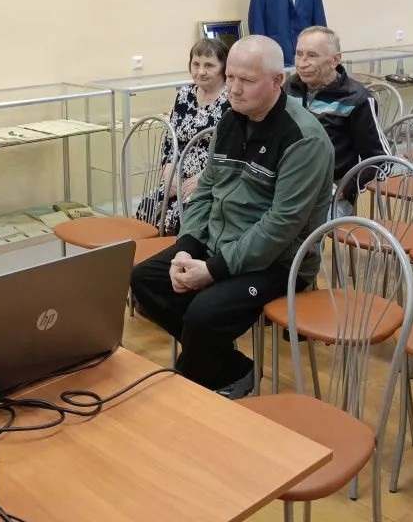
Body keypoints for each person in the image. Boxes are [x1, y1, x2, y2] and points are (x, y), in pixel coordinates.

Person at [130, 35, 334, 399]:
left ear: (277, 81)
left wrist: (214, 270)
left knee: (202, 315)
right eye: (231, 78)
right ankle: (231, 368)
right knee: (145, 280)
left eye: (246, 80)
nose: (234, 89)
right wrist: (186, 246)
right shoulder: (230, 121)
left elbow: (281, 226)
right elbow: (205, 191)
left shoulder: (303, 139)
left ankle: (192, 389)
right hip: (219, 243)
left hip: (278, 262)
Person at [286, 26, 391, 215]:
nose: (302, 63)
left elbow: (382, 160)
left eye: (312, 55)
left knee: (304, 228)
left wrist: (345, 189)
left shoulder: (356, 99)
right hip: (288, 186)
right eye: (299, 54)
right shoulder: (289, 88)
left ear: (335, 60)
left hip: (330, 193)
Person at [136, 38, 231, 235]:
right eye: (196, 64)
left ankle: (177, 254)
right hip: (177, 176)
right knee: (146, 210)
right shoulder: (184, 94)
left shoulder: (232, 101)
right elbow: (170, 139)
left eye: (209, 65)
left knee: (179, 219)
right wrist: (169, 170)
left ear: (223, 67)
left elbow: (232, 151)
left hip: (210, 181)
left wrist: (204, 178)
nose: (200, 71)